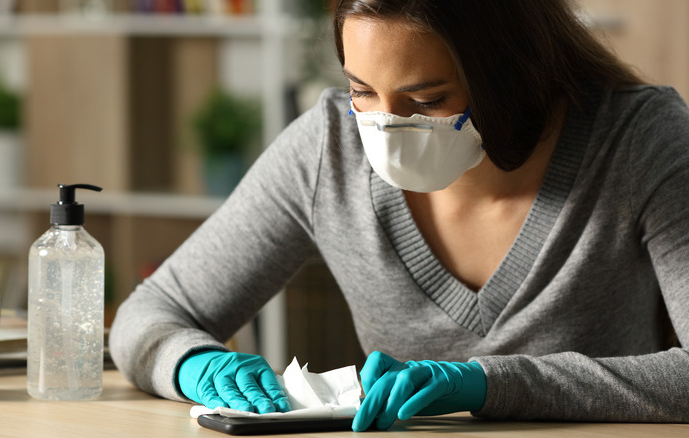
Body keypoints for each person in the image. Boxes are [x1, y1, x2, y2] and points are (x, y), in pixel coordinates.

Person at [109, 0, 689, 431]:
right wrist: (192, 364)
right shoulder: (329, 147)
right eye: (362, 90)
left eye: (428, 100)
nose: (385, 128)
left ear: (512, 74)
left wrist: (490, 385)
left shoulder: (639, 140)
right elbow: (151, 314)